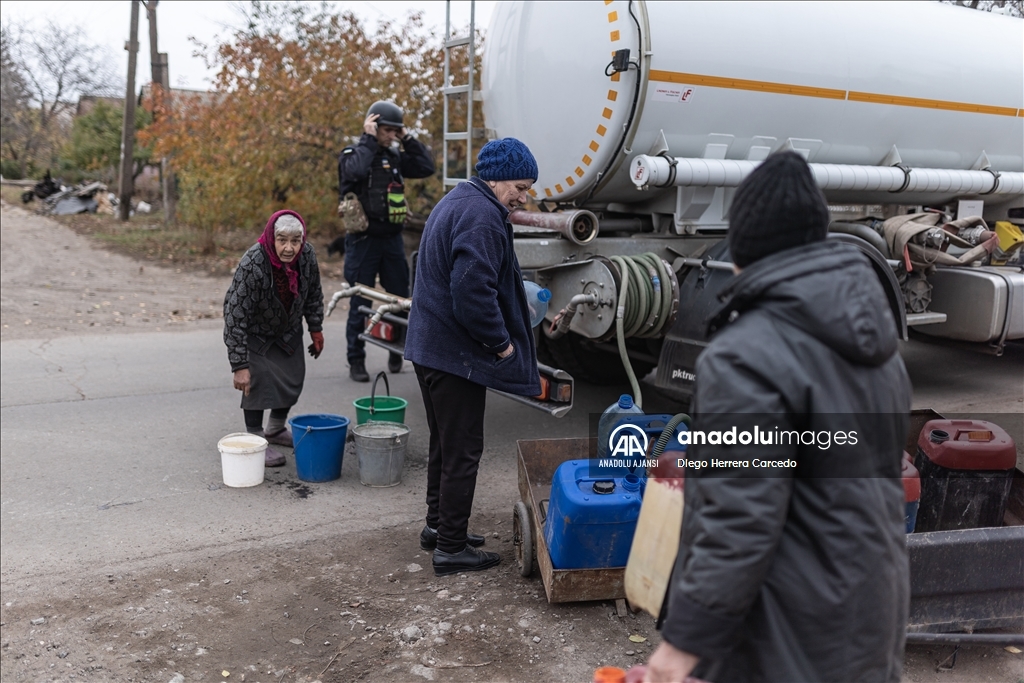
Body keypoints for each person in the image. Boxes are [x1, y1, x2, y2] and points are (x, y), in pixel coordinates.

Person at [645, 152, 913, 682]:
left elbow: (740, 516)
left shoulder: (746, 355)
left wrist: (681, 646)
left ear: (742, 245)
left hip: (787, 626)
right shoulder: (877, 340)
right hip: (869, 606)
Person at [404, 138, 541, 576]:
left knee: (445, 445)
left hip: (430, 347)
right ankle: (451, 548)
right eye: (520, 186)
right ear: (497, 176)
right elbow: (471, 292)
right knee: (463, 450)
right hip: (452, 354)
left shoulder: (460, 199)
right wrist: (502, 345)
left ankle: (438, 528)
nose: (524, 196)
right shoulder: (482, 215)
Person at [338, 100, 435, 382]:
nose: (392, 135)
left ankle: (397, 349)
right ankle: (356, 359)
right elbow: (354, 172)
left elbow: (425, 166)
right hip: (362, 241)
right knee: (360, 300)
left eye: (396, 131)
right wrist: (368, 138)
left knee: (399, 299)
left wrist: (407, 137)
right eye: (388, 130)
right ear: (372, 126)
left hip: (392, 240)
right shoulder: (352, 154)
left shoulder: (394, 156)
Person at [223, 210, 325, 466]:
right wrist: (239, 365)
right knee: (256, 385)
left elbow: (313, 292)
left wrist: (316, 327)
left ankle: (276, 429)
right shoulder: (253, 263)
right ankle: (256, 439)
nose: (289, 248)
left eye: (295, 241)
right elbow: (234, 315)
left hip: (288, 330)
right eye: (282, 240)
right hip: (256, 333)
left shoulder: (308, 256)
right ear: (272, 237)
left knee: (292, 378)